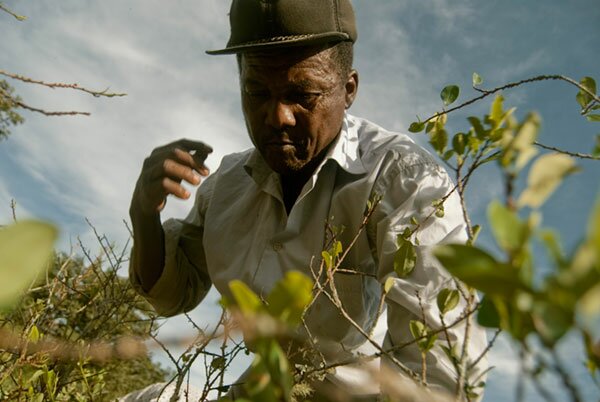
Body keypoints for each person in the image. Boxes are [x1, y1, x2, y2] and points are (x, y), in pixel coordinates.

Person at [128, 0, 488, 400]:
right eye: (256, 92)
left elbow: (438, 370)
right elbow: (173, 292)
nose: (277, 116)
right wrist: (144, 214)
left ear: (348, 89)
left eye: (302, 95)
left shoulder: (406, 181)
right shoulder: (225, 188)